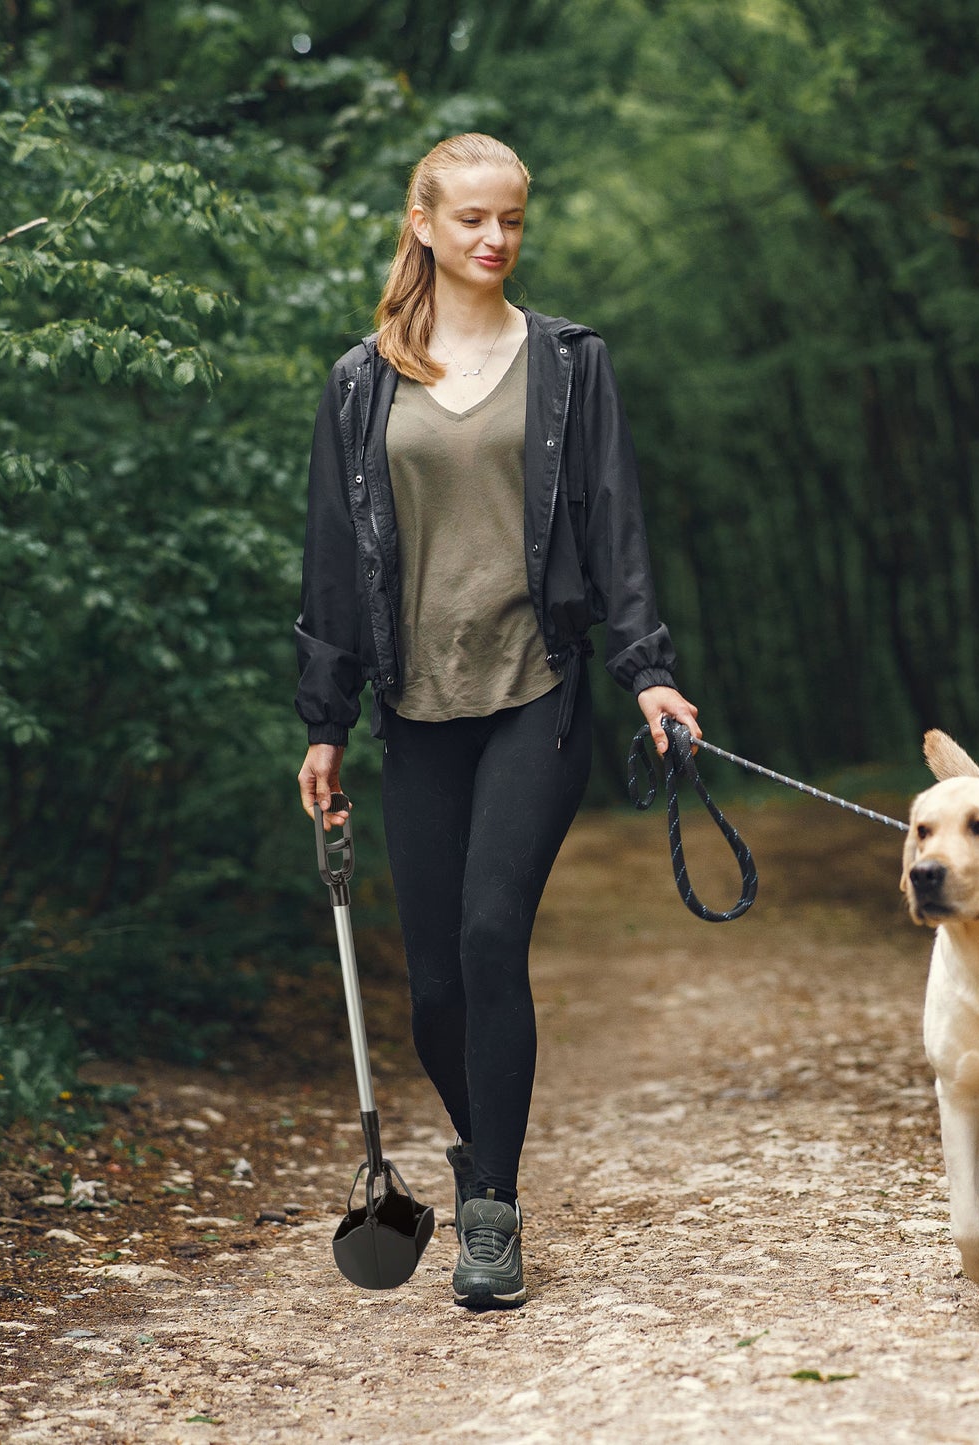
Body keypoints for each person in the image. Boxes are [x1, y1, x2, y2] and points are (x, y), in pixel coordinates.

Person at [294, 133, 699, 1310]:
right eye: (471, 217)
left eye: (511, 219)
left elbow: (614, 524)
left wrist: (647, 670)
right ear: (421, 221)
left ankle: (492, 1211)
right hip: (416, 708)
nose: (494, 238)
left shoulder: (570, 363)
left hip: (540, 690)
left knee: (486, 936)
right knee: (431, 992)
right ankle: (483, 1148)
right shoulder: (361, 380)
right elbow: (330, 558)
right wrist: (325, 720)